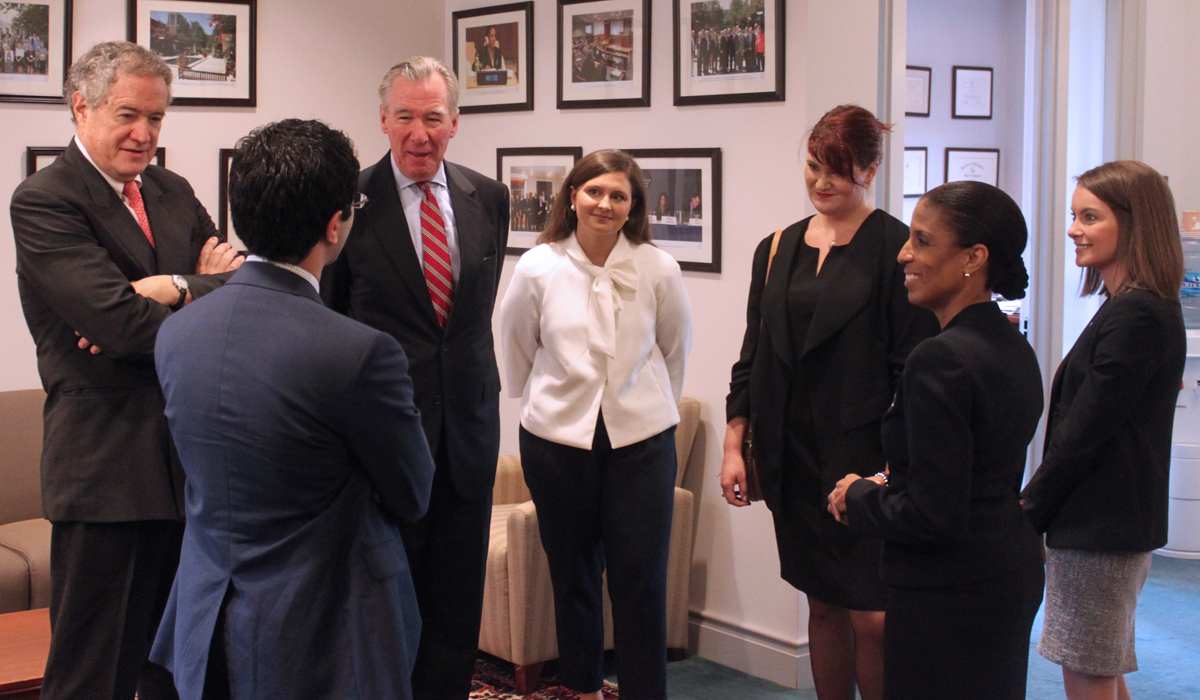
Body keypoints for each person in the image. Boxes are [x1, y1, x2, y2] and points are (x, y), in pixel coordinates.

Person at [150, 118, 436, 700]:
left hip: (207, 614)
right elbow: (411, 493)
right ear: (335, 225)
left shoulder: (177, 333)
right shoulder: (359, 352)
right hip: (330, 630)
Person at [9, 40, 240, 700]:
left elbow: (240, 291)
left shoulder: (171, 190)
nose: (145, 134)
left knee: (179, 666)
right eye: (128, 115)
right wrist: (200, 288)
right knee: (93, 673)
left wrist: (170, 285)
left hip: (189, 464)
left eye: (158, 119)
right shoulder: (45, 200)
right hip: (106, 468)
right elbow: (116, 323)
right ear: (81, 106)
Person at [719, 104, 937, 700]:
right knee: (820, 608)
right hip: (791, 457)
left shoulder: (899, 251)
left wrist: (893, 468)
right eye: (814, 166)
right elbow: (752, 355)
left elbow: (909, 371)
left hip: (863, 460)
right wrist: (735, 444)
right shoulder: (776, 247)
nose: (821, 182)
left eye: (838, 170)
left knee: (873, 617)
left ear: (870, 168)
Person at [321, 56, 509, 700]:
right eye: (405, 117)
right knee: (384, 601)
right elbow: (331, 318)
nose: (419, 133)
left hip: (469, 434)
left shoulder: (490, 197)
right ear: (383, 120)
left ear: (454, 123)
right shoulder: (346, 201)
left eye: (433, 117)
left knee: (456, 605)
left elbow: (468, 319)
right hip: (383, 439)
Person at [827, 181, 1046, 700]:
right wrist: (887, 477)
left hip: (949, 590)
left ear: (974, 257)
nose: (904, 253)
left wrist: (858, 496)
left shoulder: (939, 358)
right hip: (1004, 570)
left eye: (922, 241)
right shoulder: (1011, 345)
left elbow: (932, 514)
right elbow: (962, 468)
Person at [499, 149, 693, 700]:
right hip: (556, 441)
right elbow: (515, 343)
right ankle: (581, 687)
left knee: (641, 579)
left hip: (642, 443)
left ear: (633, 208)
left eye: (618, 196)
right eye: (594, 192)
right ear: (572, 197)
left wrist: (652, 407)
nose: (604, 204)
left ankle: (642, 691)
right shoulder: (538, 265)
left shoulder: (658, 268)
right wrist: (540, 397)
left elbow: (675, 351)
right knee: (574, 574)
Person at [1021, 161, 1186, 700]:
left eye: (1089, 217)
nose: (1073, 229)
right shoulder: (1129, 306)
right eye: (1075, 216)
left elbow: (1083, 433)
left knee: (1086, 669)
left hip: (1101, 523)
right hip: (1107, 521)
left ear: (1135, 224)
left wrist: (1028, 511)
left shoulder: (1137, 315)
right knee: (1099, 666)